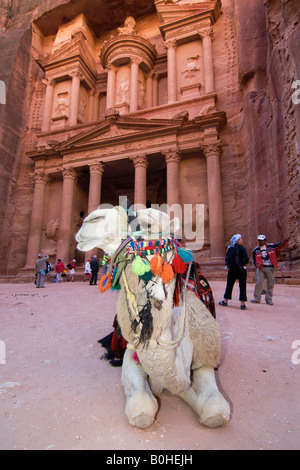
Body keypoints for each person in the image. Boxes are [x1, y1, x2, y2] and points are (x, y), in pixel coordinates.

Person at [250, 235, 288, 305]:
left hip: (270, 267)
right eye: (259, 240)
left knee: (270, 284)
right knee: (259, 283)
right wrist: (257, 265)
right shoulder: (256, 250)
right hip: (261, 268)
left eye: (262, 240)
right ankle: (257, 298)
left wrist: (286, 240)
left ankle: (268, 299)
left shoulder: (271, 247)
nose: (260, 242)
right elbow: (254, 258)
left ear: (265, 240)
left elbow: (279, 246)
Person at [219, 234, 249, 310]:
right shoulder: (242, 249)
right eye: (240, 239)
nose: (242, 240)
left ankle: (225, 301)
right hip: (241, 269)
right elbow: (247, 259)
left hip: (232, 270)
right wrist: (243, 263)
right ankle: (242, 304)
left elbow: (227, 258)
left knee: (229, 285)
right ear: (237, 240)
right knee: (242, 286)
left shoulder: (230, 248)